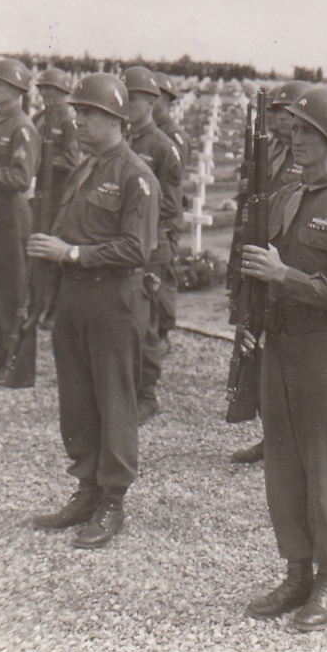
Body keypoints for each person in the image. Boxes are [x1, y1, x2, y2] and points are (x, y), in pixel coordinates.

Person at [239, 87, 327, 633]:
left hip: (326, 351)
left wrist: (284, 277)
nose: (296, 140)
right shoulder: (287, 197)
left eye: (307, 133)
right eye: (293, 131)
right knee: (285, 468)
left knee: (324, 469)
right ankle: (296, 570)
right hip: (283, 347)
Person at [28, 73, 159, 548]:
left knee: (113, 398)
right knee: (78, 397)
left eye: (90, 114)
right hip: (76, 296)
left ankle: (113, 500)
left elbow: (136, 248)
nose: (78, 121)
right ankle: (86, 488)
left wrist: (72, 254)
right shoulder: (87, 168)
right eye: (78, 113)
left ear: (116, 119)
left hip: (114, 298)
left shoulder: (135, 176)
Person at [229, 79, 313, 465]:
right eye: (274, 111)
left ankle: (288, 438)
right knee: (257, 348)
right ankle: (270, 432)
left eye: (285, 111)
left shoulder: (303, 160)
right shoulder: (272, 151)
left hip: (284, 260)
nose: (278, 118)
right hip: (259, 255)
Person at [121, 65, 183, 424]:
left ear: (151, 102)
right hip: (128, 243)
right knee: (126, 319)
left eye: (134, 99)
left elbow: (171, 206)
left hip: (149, 246)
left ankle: (147, 394)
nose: (127, 104)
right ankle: (128, 387)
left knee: (145, 323)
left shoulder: (163, 148)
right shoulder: (127, 141)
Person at [0, 58, 39, 384]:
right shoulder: (0, 122)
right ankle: (1, 352)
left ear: (17, 89)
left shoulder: (21, 127)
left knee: (10, 287)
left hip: (10, 214)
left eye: (0, 83)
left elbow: (21, 178)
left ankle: (13, 361)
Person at [152, 72, 190, 346]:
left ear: (165, 99)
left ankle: (163, 333)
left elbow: (173, 182)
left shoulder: (173, 136)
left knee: (163, 275)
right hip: (153, 216)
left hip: (166, 216)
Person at [33, 68, 82, 224]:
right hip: (39, 181)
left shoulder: (68, 121)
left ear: (62, 91)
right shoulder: (38, 117)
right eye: (42, 88)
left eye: (49, 88)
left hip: (59, 185)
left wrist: (42, 162)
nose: (44, 92)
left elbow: (71, 160)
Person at [268, 81, 312, 194]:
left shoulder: (315, 158)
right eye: (279, 111)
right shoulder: (278, 152)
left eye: (289, 112)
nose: (281, 117)